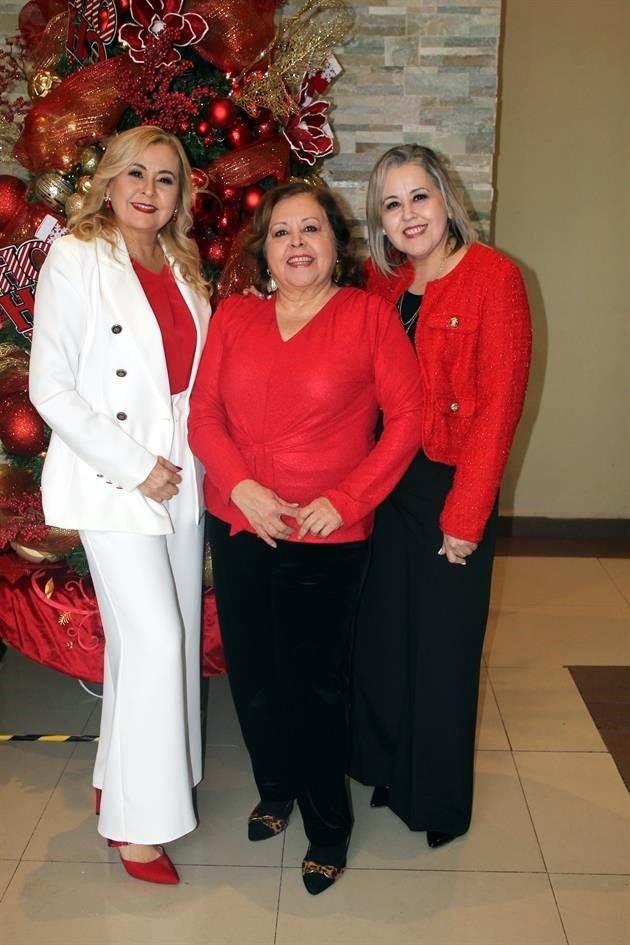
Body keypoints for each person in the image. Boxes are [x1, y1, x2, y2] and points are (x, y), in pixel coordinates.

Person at [188, 180, 423, 894]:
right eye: (282, 232)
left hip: (327, 534)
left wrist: (347, 497)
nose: (297, 243)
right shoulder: (233, 316)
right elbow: (203, 416)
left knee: (315, 686)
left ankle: (329, 826)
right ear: (264, 252)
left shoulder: (367, 318)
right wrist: (242, 487)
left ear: (334, 245)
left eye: (311, 230)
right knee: (255, 676)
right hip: (242, 523)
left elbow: (407, 421)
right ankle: (277, 783)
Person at [29, 125, 210, 884]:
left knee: (161, 640)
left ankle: (125, 775)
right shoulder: (75, 258)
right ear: (108, 179)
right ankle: (138, 828)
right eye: (136, 172)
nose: (149, 189)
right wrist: (138, 468)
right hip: (116, 478)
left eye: (166, 179)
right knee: (158, 638)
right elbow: (50, 388)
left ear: (180, 197)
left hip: (182, 471)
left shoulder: (181, 263)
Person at [350, 144, 532, 847]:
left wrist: (466, 516)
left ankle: (438, 800)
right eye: (392, 204)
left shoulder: (495, 278)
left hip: (451, 483)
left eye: (418, 196)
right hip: (388, 483)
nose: (408, 214)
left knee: (445, 646)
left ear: (445, 197)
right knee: (387, 637)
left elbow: (498, 408)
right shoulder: (383, 281)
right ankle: (390, 767)